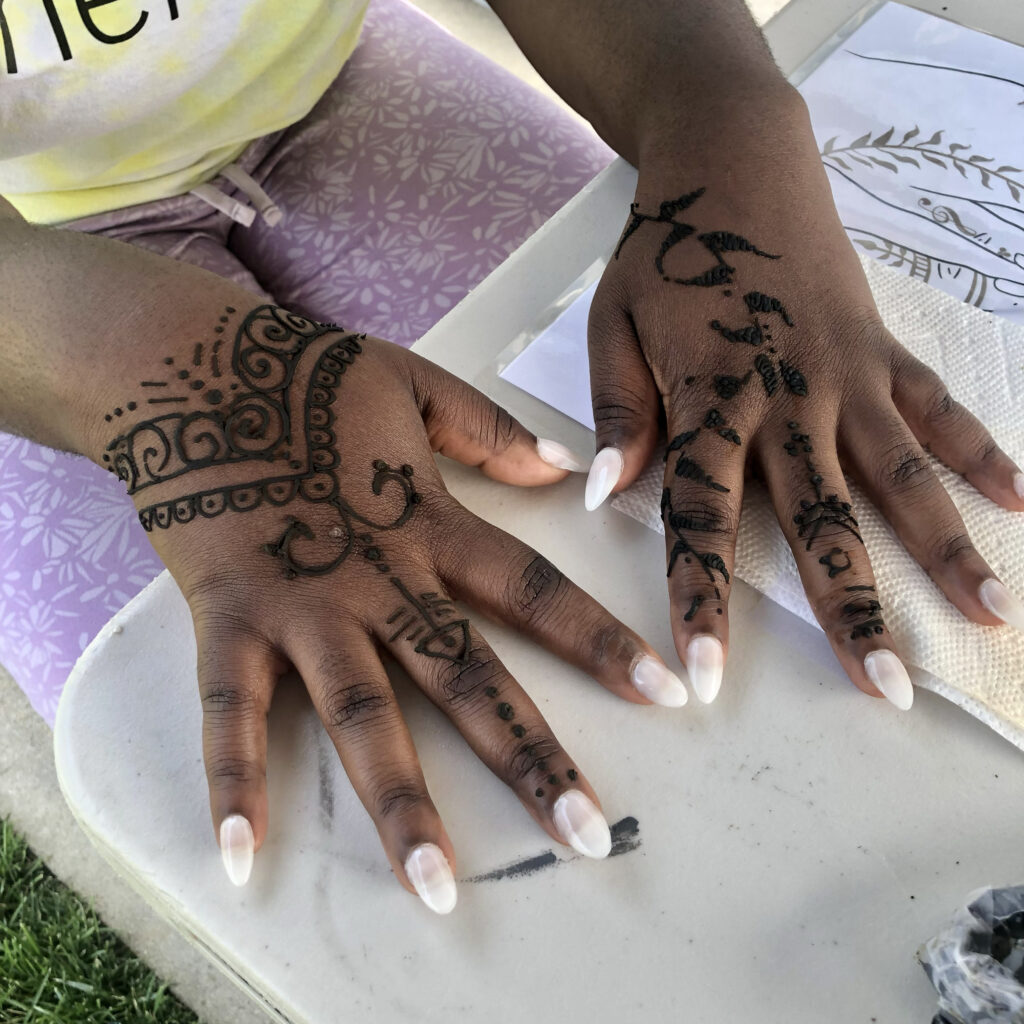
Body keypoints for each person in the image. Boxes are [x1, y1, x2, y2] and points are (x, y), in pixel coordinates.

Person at [1, 0, 1021, 916]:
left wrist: (725, 117)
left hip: (334, 82)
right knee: (282, 788)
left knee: (609, 534)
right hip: (37, 266)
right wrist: (125, 366)